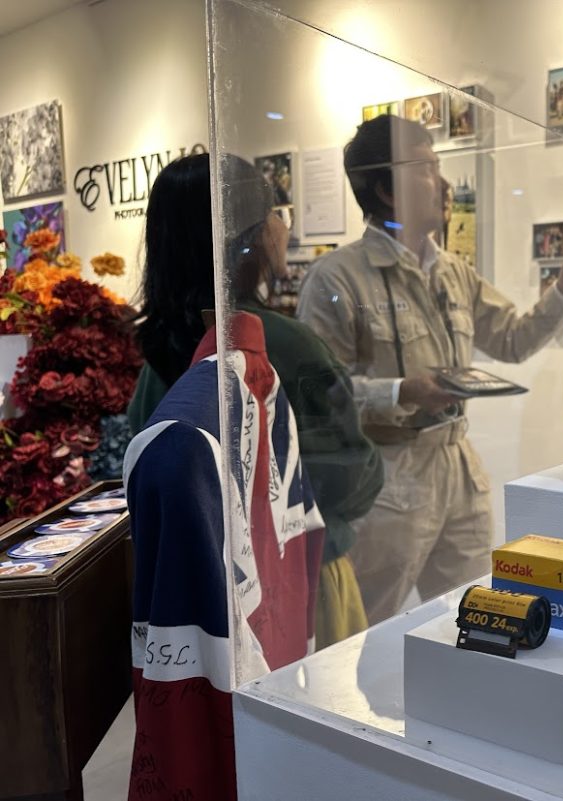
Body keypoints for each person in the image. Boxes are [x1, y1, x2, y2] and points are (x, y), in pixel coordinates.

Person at [297, 114, 563, 624]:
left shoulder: (454, 272)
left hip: (458, 470)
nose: (442, 184)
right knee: (365, 629)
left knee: (476, 613)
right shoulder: (337, 278)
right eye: (425, 168)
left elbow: (511, 340)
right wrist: (402, 392)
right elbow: (320, 394)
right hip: (387, 479)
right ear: (386, 190)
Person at [128, 152, 383, 647]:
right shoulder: (284, 345)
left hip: (204, 607)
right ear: (250, 237)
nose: (282, 228)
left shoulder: (156, 358)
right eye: (276, 213)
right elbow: (354, 475)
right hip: (302, 586)